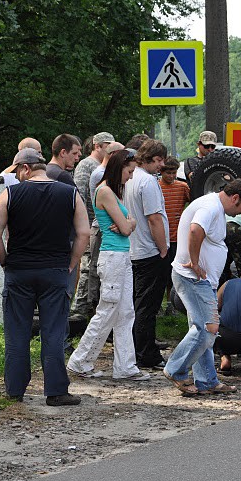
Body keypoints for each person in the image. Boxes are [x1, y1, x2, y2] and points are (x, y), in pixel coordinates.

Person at [0, 148, 90, 406]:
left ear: (24, 168)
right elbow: (84, 233)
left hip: (19, 270)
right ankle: (55, 391)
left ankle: (15, 390)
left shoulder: (10, 194)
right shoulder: (69, 193)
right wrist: (72, 262)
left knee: (17, 332)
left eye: (16, 172)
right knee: (53, 331)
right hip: (55, 271)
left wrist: (5, 261)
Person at [163, 179, 241, 395]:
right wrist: (195, 263)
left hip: (201, 280)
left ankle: (206, 380)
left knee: (203, 330)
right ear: (235, 198)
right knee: (209, 327)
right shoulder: (211, 207)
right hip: (193, 278)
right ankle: (175, 369)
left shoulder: (214, 206)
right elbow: (196, 230)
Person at [67, 150, 150, 380]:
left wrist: (128, 222)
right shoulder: (105, 191)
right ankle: (80, 361)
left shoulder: (113, 192)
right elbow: (125, 228)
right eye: (129, 171)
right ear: (119, 167)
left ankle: (125, 367)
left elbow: (128, 223)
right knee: (107, 311)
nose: (131, 176)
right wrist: (128, 223)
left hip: (120, 255)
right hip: (112, 257)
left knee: (125, 312)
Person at [123, 139, 169, 369]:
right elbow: (154, 218)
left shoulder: (129, 178)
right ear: (149, 158)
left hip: (132, 248)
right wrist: (163, 248)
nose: (161, 165)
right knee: (147, 306)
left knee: (135, 303)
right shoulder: (148, 182)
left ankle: (135, 348)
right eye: (159, 160)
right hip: (148, 250)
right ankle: (146, 354)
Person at [70, 132, 116, 325]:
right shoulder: (87, 166)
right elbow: (78, 195)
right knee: (88, 267)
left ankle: (89, 306)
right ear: (98, 146)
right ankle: (79, 309)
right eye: (108, 145)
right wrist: (85, 225)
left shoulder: (97, 166)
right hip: (88, 224)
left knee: (94, 267)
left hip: (97, 224)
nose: (111, 149)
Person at [158, 156, 190, 315]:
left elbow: (192, 202)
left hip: (177, 237)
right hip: (160, 237)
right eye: (167, 172)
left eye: (173, 172)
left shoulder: (182, 187)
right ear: (161, 171)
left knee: (173, 272)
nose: (171, 176)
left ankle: (171, 303)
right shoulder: (156, 186)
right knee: (160, 273)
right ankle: (158, 304)